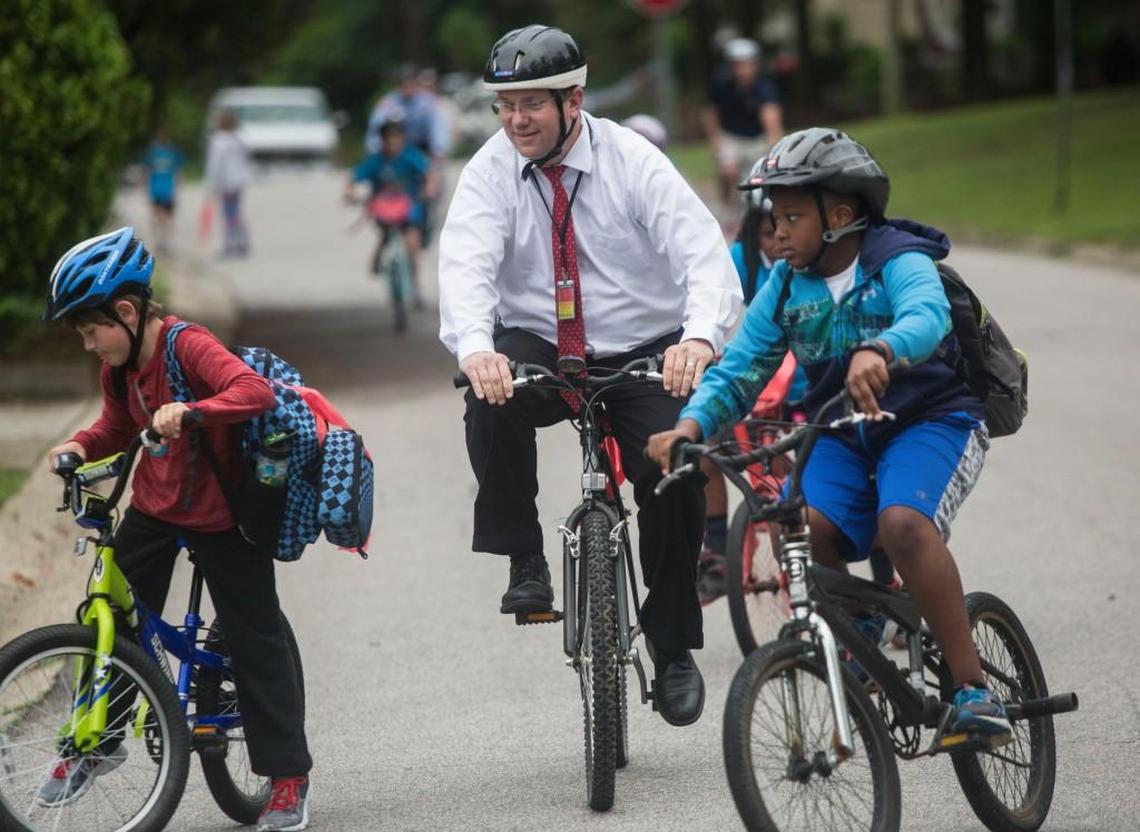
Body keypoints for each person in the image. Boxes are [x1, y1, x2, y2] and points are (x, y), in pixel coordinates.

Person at [647, 128, 1012, 741]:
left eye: (791, 218)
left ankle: (973, 688)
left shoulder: (898, 258)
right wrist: (688, 427)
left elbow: (927, 315)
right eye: (772, 219)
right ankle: (862, 623)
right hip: (843, 432)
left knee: (902, 527)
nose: (777, 234)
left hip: (932, 420)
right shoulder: (787, 288)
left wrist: (882, 347)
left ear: (840, 215)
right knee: (800, 521)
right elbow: (739, 370)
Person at [440, 24, 743, 728]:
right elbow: (466, 269)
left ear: (574, 100)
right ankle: (525, 562)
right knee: (490, 399)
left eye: (533, 105)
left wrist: (697, 340)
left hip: (645, 348)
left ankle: (672, 645)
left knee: (674, 468)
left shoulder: (633, 160)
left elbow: (704, 257)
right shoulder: (488, 173)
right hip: (541, 343)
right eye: (505, 105)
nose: (517, 120)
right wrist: (478, 349)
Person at [43, 227, 313, 829]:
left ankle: (288, 777)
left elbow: (255, 392)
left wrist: (193, 411)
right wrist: (76, 444)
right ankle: (101, 739)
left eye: (93, 331)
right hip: (156, 509)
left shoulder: (186, 345)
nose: (90, 345)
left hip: (225, 514)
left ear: (128, 312)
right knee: (115, 612)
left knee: (253, 635)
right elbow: (116, 426)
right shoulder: (120, 369)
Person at [345, 112, 437, 298]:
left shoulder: (411, 156)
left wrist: (429, 189)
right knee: (385, 232)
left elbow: (429, 172)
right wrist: (349, 192)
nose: (392, 143)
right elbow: (354, 177)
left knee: (412, 243)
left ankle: (416, 289)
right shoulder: (376, 160)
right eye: (388, 139)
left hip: (410, 206)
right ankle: (379, 256)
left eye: (396, 138)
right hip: (385, 208)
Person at [701, 37, 784, 208]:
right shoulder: (721, 85)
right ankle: (726, 205)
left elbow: (770, 116)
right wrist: (715, 141)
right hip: (731, 135)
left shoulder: (764, 87)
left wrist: (774, 141)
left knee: (762, 176)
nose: (742, 69)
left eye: (746, 63)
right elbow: (711, 114)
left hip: (757, 137)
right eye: (737, 64)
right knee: (728, 170)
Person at [205, 108, 253, 257]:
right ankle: (242, 241)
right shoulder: (237, 139)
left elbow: (215, 165)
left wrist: (211, 185)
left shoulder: (219, 141)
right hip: (238, 181)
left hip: (226, 182)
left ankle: (231, 244)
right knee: (235, 212)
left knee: (229, 214)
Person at [142, 128, 184, 255]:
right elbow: (178, 173)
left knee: (156, 217)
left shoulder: (152, 154)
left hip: (155, 189)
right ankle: (165, 243)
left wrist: (144, 187)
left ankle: (159, 242)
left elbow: (146, 172)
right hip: (167, 189)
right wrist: (178, 188)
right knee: (167, 217)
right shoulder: (172, 153)